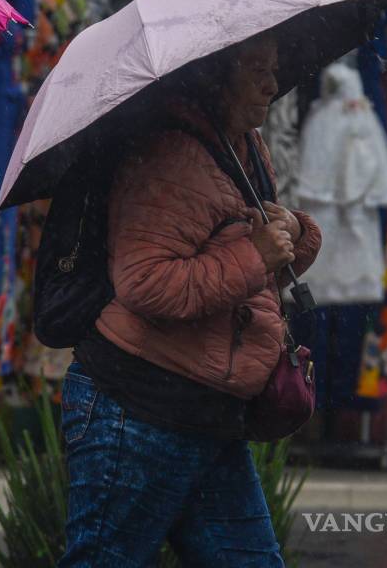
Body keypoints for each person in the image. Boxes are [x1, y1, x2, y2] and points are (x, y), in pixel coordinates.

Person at [59, 34, 322, 567]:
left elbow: (256, 257)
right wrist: (255, 255)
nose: (273, 83)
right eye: (256, 70)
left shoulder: (239, 145)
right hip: (138, 411)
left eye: (274, 67)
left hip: (207, 415)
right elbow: (146, 282)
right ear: (216, 79)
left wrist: (295, 231)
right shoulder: (172, 157)